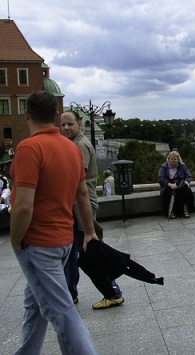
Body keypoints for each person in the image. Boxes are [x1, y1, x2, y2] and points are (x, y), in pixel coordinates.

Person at [10, 91, 98, 354]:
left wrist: (16, 241)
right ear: (57, 117)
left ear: (27, 116)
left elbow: (23, 205)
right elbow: (82, 194)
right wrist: (89, 231)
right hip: (64, 241)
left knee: (62, 313)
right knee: (35, 304)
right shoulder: (71, 148)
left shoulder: (29, 147)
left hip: (38, 243)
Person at [60, 110, 124, 310]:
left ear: (79, 124)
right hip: (76, 205)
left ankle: (113, 291)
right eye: (62, 125)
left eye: (70, 124)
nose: (66, 128)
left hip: (82, 205)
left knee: (88, 252)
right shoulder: (74, 145)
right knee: (73, 253)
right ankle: (71, 293)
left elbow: (75, 178)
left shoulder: (80, 146)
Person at [158, 151, 195, 218]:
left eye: (175, 159)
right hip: (168, 185)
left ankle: (186, 210)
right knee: (167, 192)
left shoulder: (182, 166)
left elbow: (188, 176)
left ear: (178, 160)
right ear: (168, 159)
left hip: (179, 184)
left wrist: (185, 183)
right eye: (171, 159)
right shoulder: (163, 167)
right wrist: (169, 184)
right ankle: (170, 211)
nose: (173, 160)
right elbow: (161, 178)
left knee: (186, 190)